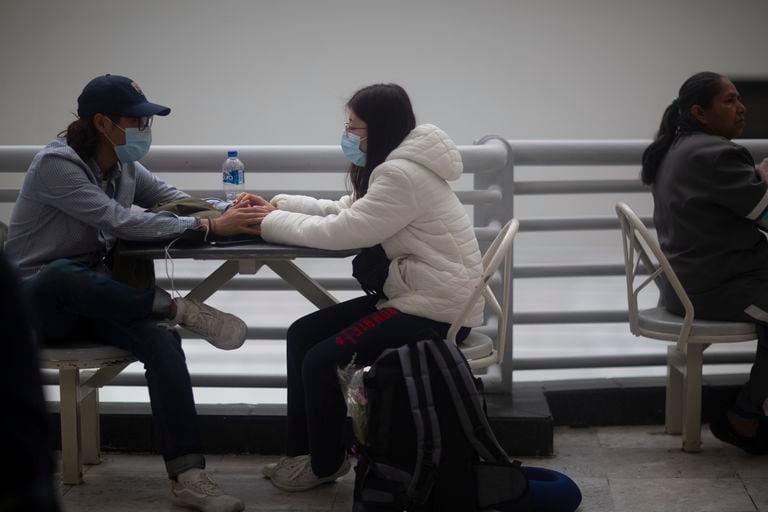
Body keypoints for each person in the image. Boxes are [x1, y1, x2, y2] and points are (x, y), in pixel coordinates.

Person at [5, 74, 264, 511]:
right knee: (59, 274)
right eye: (137, 121)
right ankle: (174, 306)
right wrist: (206, 229)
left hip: (98, 297)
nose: (145, 131)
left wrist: (230, 209)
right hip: (38, 305)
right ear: (103, 123)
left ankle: (188, 476)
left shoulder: (122, 166)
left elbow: (168, 195)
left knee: (161, 339)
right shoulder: (56, 164)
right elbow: (117, 221)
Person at [233, 83, 485, 491]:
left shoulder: (401, 175)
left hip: (434, 313)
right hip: (413, 299)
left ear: (379, 128)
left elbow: (341, 231)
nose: (348, 135)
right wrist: (276, 206)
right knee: (302, 334)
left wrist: (262, 224)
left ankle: (326, 464)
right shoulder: (397, 166)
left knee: (319, 359)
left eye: (354, 127)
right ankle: (306, 454)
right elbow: (345, 209)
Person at [641, 71, 768, 455]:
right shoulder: (719, 154)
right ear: (699, 111)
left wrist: (757, 179)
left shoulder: (679, 148)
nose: (741, 107)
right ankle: (744, 416)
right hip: (716, 287)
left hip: (687, 283)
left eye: (739, 98)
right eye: (729, 101)